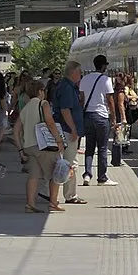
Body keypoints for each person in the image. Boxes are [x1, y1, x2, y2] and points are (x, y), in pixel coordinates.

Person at [15, 77, 68, 214]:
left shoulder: (25, 108)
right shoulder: (43, 104)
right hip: (43, 147)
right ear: (40, 91)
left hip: (29, 147)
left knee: (34, 175)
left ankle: (30, 204)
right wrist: (59, 141)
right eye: (43, 90)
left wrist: (21, 149)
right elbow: (50, 122)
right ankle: (53, 203)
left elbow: (16, 130)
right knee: (56, 173)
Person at [49, 61, 86, 204]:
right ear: (73, 73)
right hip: (67, 130)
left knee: (65, 162)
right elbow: (65, 110)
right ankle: (70, 194)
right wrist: (73, 128)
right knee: (69, 162)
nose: (81, 75)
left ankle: (64, 193)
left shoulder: (67, 86)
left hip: (65, 129)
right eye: (80, 72)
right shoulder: (67, 88)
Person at [79, 55, 116, 186]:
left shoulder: (85, 79)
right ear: (103, 66)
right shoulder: (106, 80)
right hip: (101, 116)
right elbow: (110, 100)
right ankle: (102, 178)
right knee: (102, 148)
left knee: (89, 147)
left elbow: (81, 100)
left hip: (88, 116)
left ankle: (87, 175)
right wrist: (114, 119)